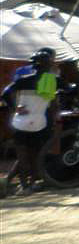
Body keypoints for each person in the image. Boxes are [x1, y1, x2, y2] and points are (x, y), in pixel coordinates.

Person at [2, 48, 59, 194]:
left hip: (22, 120)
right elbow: (59, 96)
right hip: (38, 120)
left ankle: (23, 184)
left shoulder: (24, 77)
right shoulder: (51, 79)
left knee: (24, 154)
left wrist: (15, 107)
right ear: (48, 63)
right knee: (33, 153)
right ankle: (28, 183)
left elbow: (6, 93)